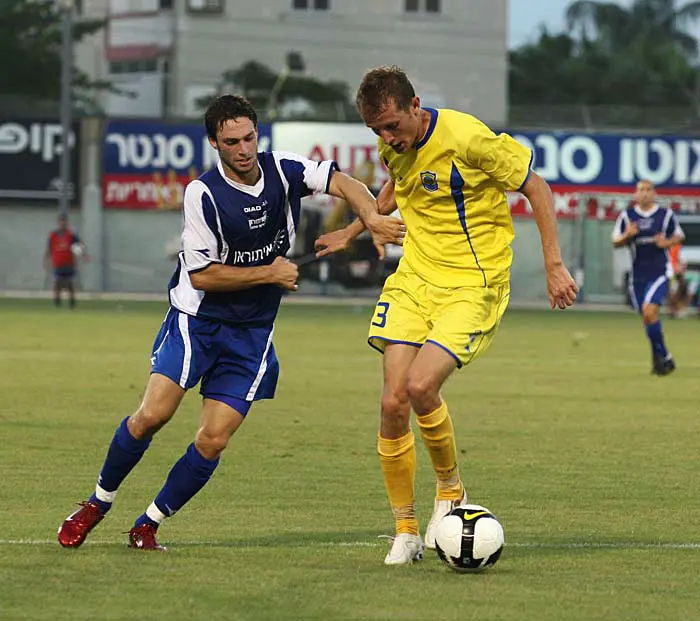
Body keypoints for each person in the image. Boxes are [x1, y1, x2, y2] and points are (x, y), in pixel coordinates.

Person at [57, 94, 404, 551]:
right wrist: (270, 272)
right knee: (153, 416)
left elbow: (347, 184)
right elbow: (203, 276)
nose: (243, 149)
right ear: (214, 144)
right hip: (197, 320)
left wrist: (369, 219)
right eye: (231, 141)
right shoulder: (202, 194)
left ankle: (148, 523)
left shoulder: (283, 169)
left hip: (253, 332)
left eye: (249, 138)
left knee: (213, 439)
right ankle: (96, 503)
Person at [315, 65, 578, 565]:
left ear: (415, 105)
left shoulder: (467, 137)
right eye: (377, 131)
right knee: (393, 401)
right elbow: (395, 186)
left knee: (420, 387)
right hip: (415, 278)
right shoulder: (391, 145)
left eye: (392, 125)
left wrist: (553, 265)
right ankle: (407, 530)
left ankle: (450, 490)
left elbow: (537, 189)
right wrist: (350, 233)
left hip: (472, 283)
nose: (387, 138)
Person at [612, 180, 684, 375]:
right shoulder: (628, 216)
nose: (644, 193)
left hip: (660, 271)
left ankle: (665, 357)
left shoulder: (665, 215)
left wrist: (666, 242)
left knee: (649, 311)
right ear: (635, 194)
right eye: (640, 190)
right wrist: (627, 235)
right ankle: (659, 360)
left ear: (654, 193)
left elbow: (679, 236)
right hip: (638, 275)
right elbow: (615, 241)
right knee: (647, 316)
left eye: (648, 190)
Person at [45, 215, 86, 308]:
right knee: (57, 283)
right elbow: (49, 249)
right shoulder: (53, 235)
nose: (63, 223)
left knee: (69, 283)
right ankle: (57, 301)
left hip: (69, 263)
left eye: (65, 221)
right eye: (61, 221)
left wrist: (83, 255)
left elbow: (78, 247)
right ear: (58, 222)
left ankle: (72, 301)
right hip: (58, 263)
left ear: (67, 222)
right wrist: (46, 261)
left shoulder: (71, 235)